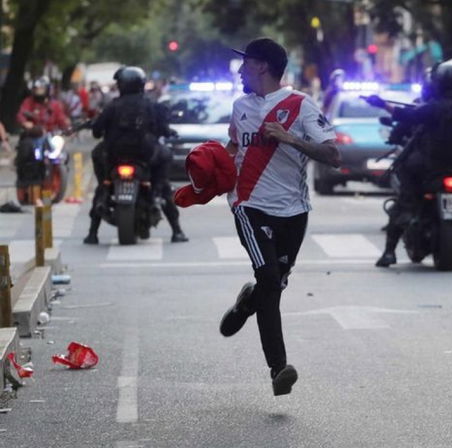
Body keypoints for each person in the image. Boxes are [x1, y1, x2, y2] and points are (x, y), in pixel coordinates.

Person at [218, 37, 340, 396]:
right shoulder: (240, 106)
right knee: (270, 279)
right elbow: (233, 146)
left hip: (294, 211)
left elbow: (332, 155)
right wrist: (211, 167)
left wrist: (289, 138)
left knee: (275, 282)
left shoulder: (300, 106)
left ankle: (246, 304)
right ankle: (279, 368)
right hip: (249, 206)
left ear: (262, 66)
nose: (240, 70)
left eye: (245, 63)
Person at [372, 59, 452, 267]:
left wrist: (382, 104)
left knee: (405, 202)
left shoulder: (433, 108)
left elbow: (406, 116)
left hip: (432, 167)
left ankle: (389, 252)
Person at [84, 66, 188, 244]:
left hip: (114, 157)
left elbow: (96, 132)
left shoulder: (111, 107)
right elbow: (163, 129)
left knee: (102, 184)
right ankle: (176, 230)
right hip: (146, 156)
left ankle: (93, 233)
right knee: (163, 183)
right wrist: (168, 131)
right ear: (141, 84)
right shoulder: (152, 106)